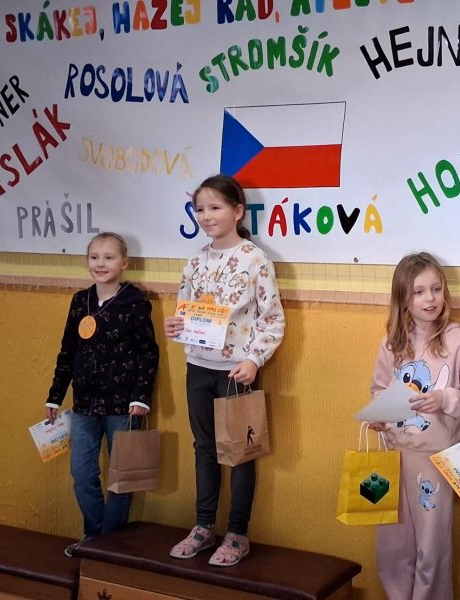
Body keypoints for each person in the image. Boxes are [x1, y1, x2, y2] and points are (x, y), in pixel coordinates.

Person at [164, 174, 285, 567]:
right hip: (198, 367)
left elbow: (272, 319)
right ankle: (203, 526)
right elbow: (185, 311)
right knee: (204, 449)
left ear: (237, 211)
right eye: (199, 209)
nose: (206, 215)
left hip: (236, 371)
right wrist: (175, 326)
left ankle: (237, 533)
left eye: (215, 207)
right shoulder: (194, 261)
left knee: (240, 452)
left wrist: (254, 360)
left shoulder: (255, 259)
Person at [368, 252, 460, 600]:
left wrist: (444, 399)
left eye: (436, 289)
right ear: (403, 298)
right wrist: (381, 416)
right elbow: (379, 389)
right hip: (394, 457)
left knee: (432, 549)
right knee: (392, 546)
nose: (430, 299)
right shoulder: (392, 342)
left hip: (438, 460)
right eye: (418, 292)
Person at [45, 232, 159, 556]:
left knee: (122, 477)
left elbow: (148, 352)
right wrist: (55, 395)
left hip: (124, 406)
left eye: (109, 257)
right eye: (94, 257)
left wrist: (141, 396)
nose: (101, 263)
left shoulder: (134, 302)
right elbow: (67, 351)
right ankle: (95, 539)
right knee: (82, 473)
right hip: (84, 404)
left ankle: (110, 547)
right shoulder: (80, 301)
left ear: (124, 263)